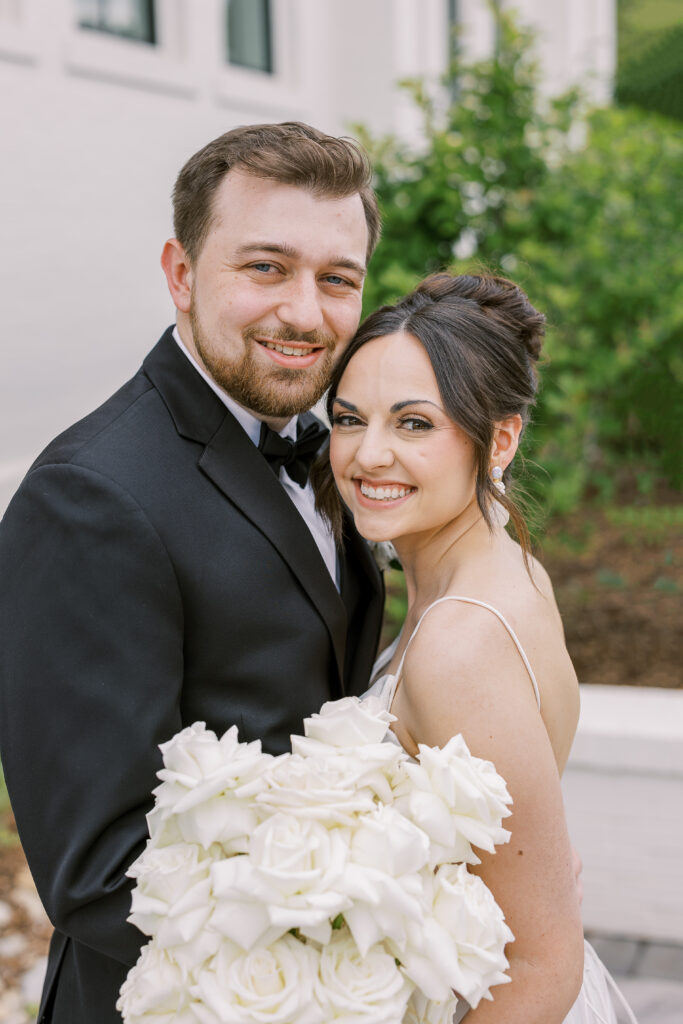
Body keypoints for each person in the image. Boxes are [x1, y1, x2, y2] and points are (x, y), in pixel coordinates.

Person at [0, 122, 385, 1023]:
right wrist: (377, 921)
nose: (304, 311)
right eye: (265, 267)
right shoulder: (88, 501)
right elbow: (100, 875)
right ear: (180, 274)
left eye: (337, 278)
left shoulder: (328, 448)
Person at [317, 272, 638, 1023]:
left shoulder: (459, 643)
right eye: (347, 418)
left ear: (500, 437)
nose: (367, 455)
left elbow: (539, 962)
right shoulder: (504, 564)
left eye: (414, 424)